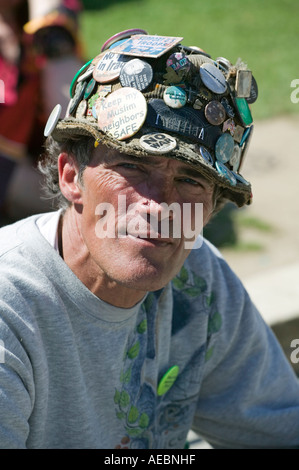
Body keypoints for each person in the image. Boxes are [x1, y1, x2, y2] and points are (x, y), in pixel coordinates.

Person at [0, 29, 299, 450]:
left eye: (191, 179)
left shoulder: (199, 280)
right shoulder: (9, 308)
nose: (160, 205)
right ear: (71, 177)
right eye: (132, 166)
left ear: (212, 209)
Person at [0, 0, 83, 225]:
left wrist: (46, 26)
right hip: (9, 165)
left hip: (47, 146)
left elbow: (60, 38)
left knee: (56, 47)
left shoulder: (42, 11)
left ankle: (93, 172)